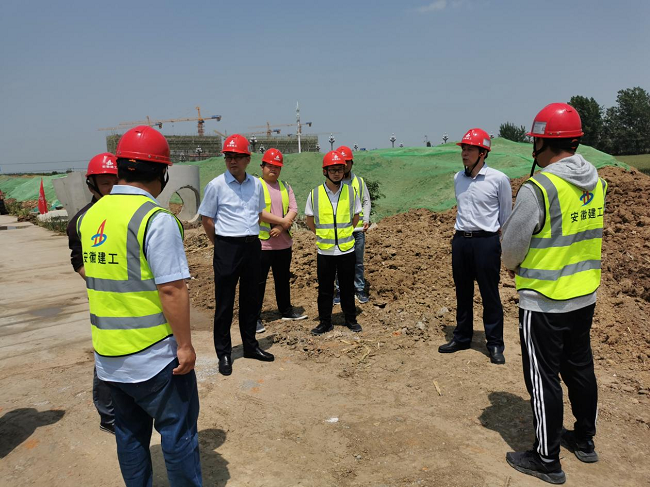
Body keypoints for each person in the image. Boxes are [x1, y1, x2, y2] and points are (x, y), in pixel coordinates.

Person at [78, 126, 202, 486]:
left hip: (108, 356)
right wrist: (185, 346)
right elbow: (172, 290)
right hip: (154, 357)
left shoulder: (91, 217)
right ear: (163, 173)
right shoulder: (155, 219)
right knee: (178, 434)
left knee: (130, 435)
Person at [501, 103, 606, 484]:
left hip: (544, 300)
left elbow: (511, 248)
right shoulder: (596, 182)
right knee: (580, 368)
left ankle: (546, 459)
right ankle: (585, 439)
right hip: (584, 295)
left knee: (543, 377)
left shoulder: (540, 188)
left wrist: (512, 266)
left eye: (535, 141)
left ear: (543, 143)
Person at [198, 134, 275, 376]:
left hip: (252, 247)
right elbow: (207, 220)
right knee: (225, 303)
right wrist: (221, 244)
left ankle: (250, 345)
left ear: (247, 159)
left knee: (251, 300)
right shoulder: (216, 186)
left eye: (237, 157)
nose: (232, 161)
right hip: (227, 247)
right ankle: (224, 353)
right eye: (228, 157)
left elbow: (258, 214)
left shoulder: (256, 185)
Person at [438, 128, 512, 365]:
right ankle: (462, 337)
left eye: (470, 149)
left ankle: (495, 344)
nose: (464, 153)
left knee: (490, 294)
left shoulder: (498, 179)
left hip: (486, 242)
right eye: (463, 148)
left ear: (483, 153)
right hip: (461, 241)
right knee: (463, 292)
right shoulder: (458, 178)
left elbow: (506, 217)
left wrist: (505, 248)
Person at [66, 152, 118, 434]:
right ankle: (108, 415)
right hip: (105, 299)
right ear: (92, 185)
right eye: (106, 183)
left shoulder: (129, 214)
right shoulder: (82, 220)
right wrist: (107, 281)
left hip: (134, 299)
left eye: (116, 181)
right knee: (106, 354)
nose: (112, 187)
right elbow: (79, 262)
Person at [305, 150, 362, 335]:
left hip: (346, 249)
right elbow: (310, 220)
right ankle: (325, 322)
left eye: (340, 169)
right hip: (325, 251)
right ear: (325, 171)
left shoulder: (351, 192)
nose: (337, 173)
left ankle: (350, 319)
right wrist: (323, 234)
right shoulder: (315, 194)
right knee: (325, 289)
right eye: (333, 170)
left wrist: (344, 233)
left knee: (347, 287)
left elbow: (355, 217)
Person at [256, 148, 307, 333]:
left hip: (283, 243)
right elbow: (257, 212)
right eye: (270, 165)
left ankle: (286, 310)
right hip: (262, 244)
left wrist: (281, 227)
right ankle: (254, 317)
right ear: (262, 166)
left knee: (283, 279)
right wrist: (282, 222)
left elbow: (294, 208)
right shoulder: (256, 186)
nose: (273, 169)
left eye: (277, 166)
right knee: (258, 282)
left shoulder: (285, 186)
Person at [334, 145, 371, 304]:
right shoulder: (333, 182)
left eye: (347, 162)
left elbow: (366, 201)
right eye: (342, 162)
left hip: (357, 229)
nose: (345, 165)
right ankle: (339, 290)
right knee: (339, 261)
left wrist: (366, 219)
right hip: (341, 230)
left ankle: (359, 289)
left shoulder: (359, 182)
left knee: (358, 262)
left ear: (351, 163)